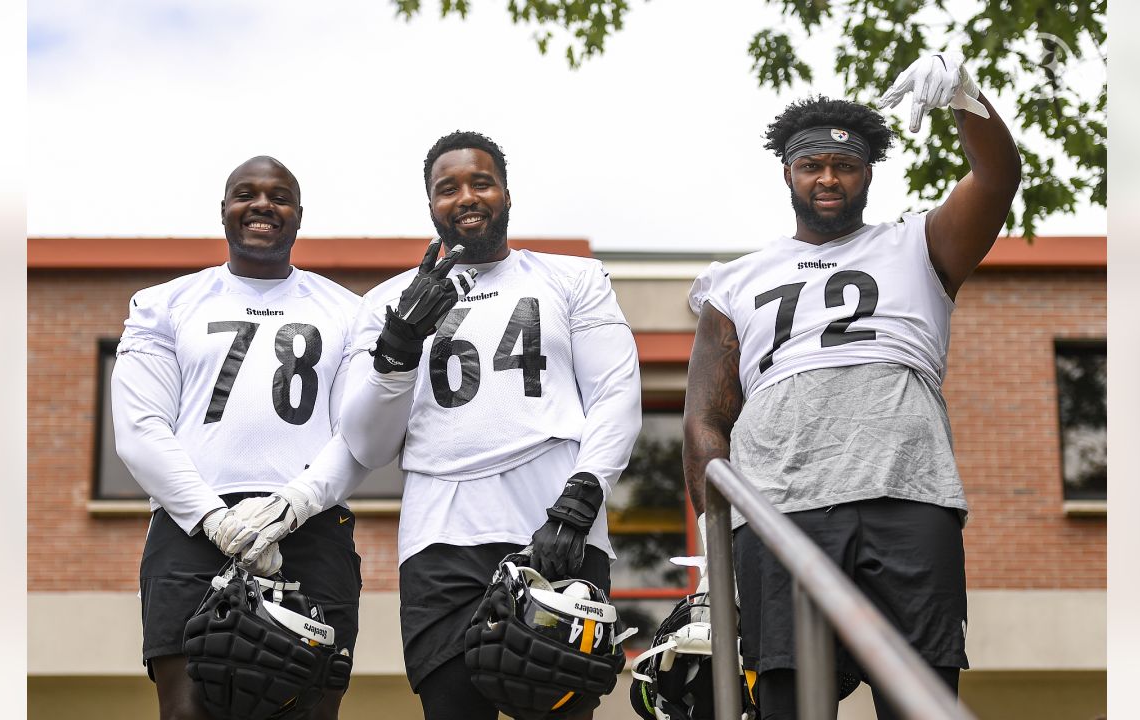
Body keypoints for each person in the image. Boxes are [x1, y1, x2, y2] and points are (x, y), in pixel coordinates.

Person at [682, 50, 1021, 720]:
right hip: (778, 506)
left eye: (846, 165)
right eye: (813, 165)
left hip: (906, 492)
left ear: (869, 174)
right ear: (788, 172)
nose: (828, 177)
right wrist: (714, 561)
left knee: (919, 695)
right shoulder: (735, 280)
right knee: (789, 702)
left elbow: (997, 177)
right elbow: (703, 424)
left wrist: (965, 94)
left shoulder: (919, 245)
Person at [112, 156, 462, 720]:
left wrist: (292, 506)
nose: (261, 206)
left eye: (279, 197)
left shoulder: (350, 312)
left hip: (311, 526)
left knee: (309, 707)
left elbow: (360, 435)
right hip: (190, 527)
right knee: (187, 710)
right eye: (244, 194)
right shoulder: (163, 304)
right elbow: (138, 428)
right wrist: (212, 518)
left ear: (298, 216)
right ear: (223, 210)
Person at [338, 130, 643, 720]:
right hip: (440, 533)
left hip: (558, 521)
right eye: (447, 188)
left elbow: (616, 395)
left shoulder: (573, 278)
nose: (466, 197)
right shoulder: (385, 301)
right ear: (430, 205)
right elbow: (367, 444)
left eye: (481, 182)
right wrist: (398, 347)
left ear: (506, 193)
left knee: (557, 703)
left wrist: (582, 497)